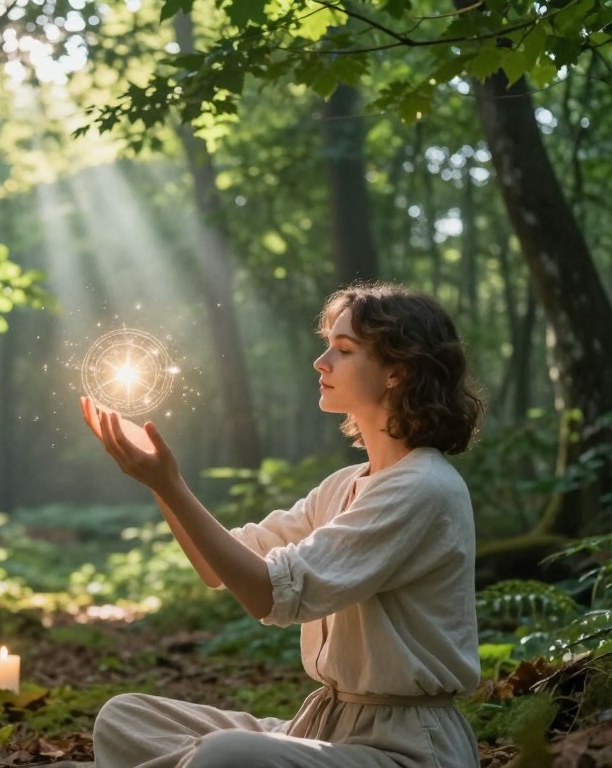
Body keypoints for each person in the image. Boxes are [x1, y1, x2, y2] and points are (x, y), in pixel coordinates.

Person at [78, 282, 484, 768]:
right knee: (125, 717)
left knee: (227, 756)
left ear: (398, 370)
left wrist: (171, 484)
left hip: (407, 748)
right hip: (322, 728)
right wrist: (161, 483)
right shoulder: (344, 484)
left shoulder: (423, 487)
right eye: (326, 345)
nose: (322, 361)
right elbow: (219, 565)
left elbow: (268, 594)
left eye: (344, 349)